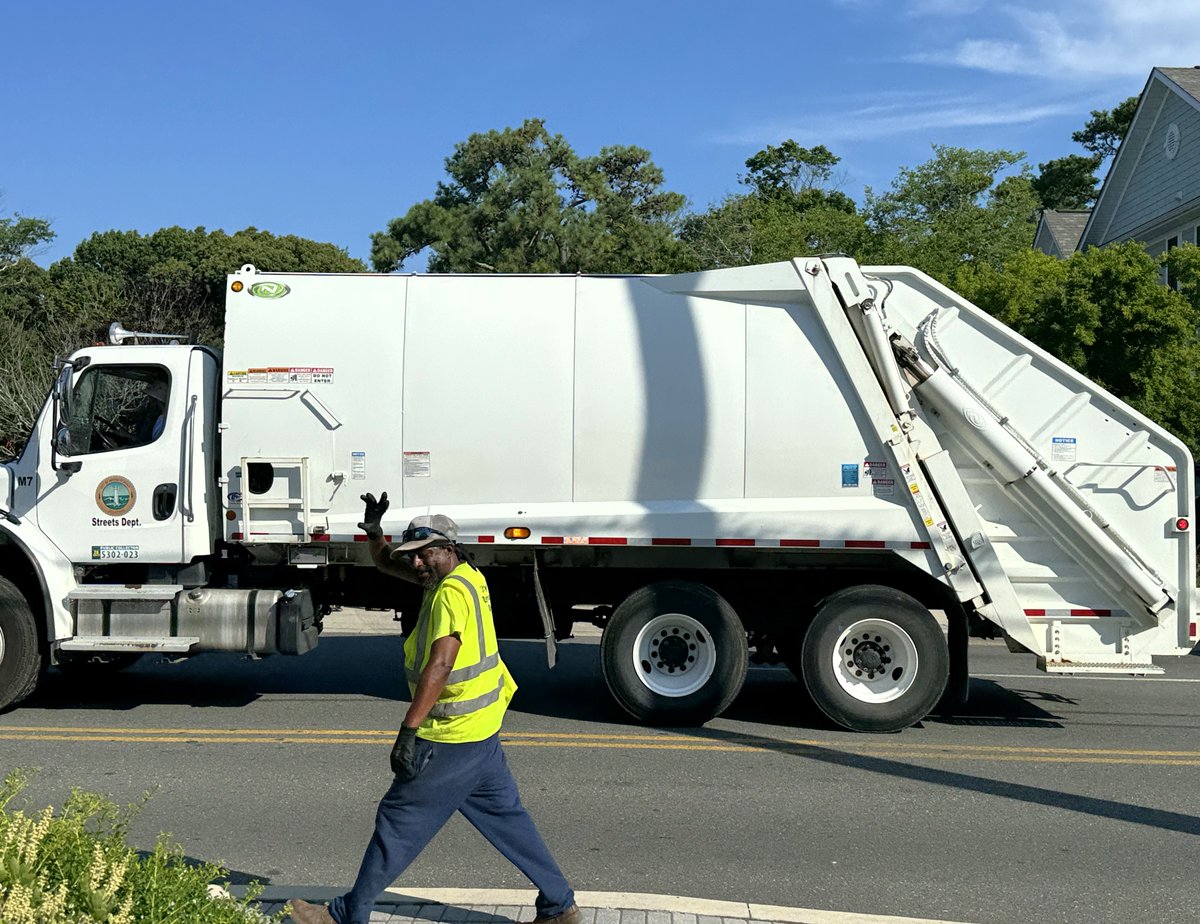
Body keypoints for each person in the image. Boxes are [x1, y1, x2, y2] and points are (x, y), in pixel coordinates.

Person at [288, 493, 581, 924]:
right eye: (415, 557)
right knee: (507, 819)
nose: (418, 564)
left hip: (451, 736)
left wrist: (409, 730)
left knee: (397, 821)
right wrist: (373, 533)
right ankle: (559, 905)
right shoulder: (467, 578)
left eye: (424, 555)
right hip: (481, 730)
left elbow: (441, 663)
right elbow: (390, 564)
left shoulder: (448, 596)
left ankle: (345, 915)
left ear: (447, 549)